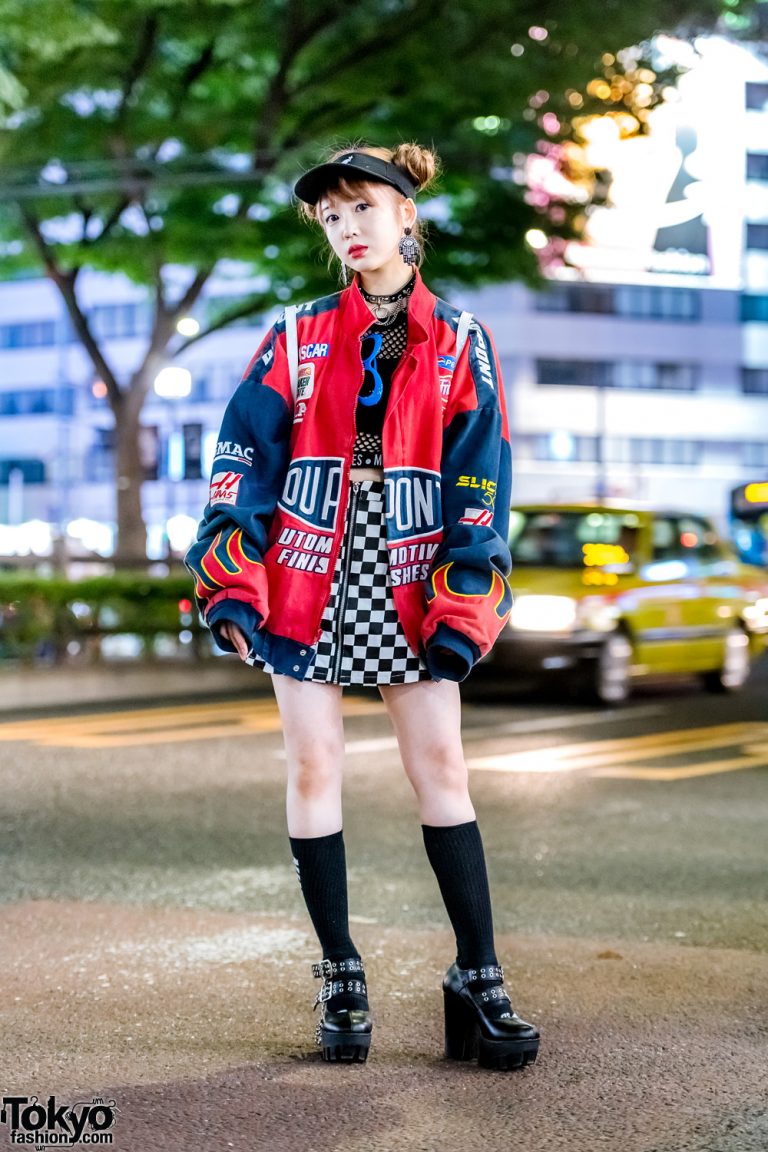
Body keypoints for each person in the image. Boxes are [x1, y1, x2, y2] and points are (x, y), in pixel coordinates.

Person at [185, 143, 540, 1071]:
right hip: (307, 565)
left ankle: (479, 974)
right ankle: (340, 971)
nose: (347, 228)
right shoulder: (297, 334)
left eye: (362, 209)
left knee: (442, 769)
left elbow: (481, 474)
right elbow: (244, 456)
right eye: (331, 216)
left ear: (407, 215)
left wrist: (468, 594)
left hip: (413, 566)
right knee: (312, 767)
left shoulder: (462, 340)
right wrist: (233, 572)